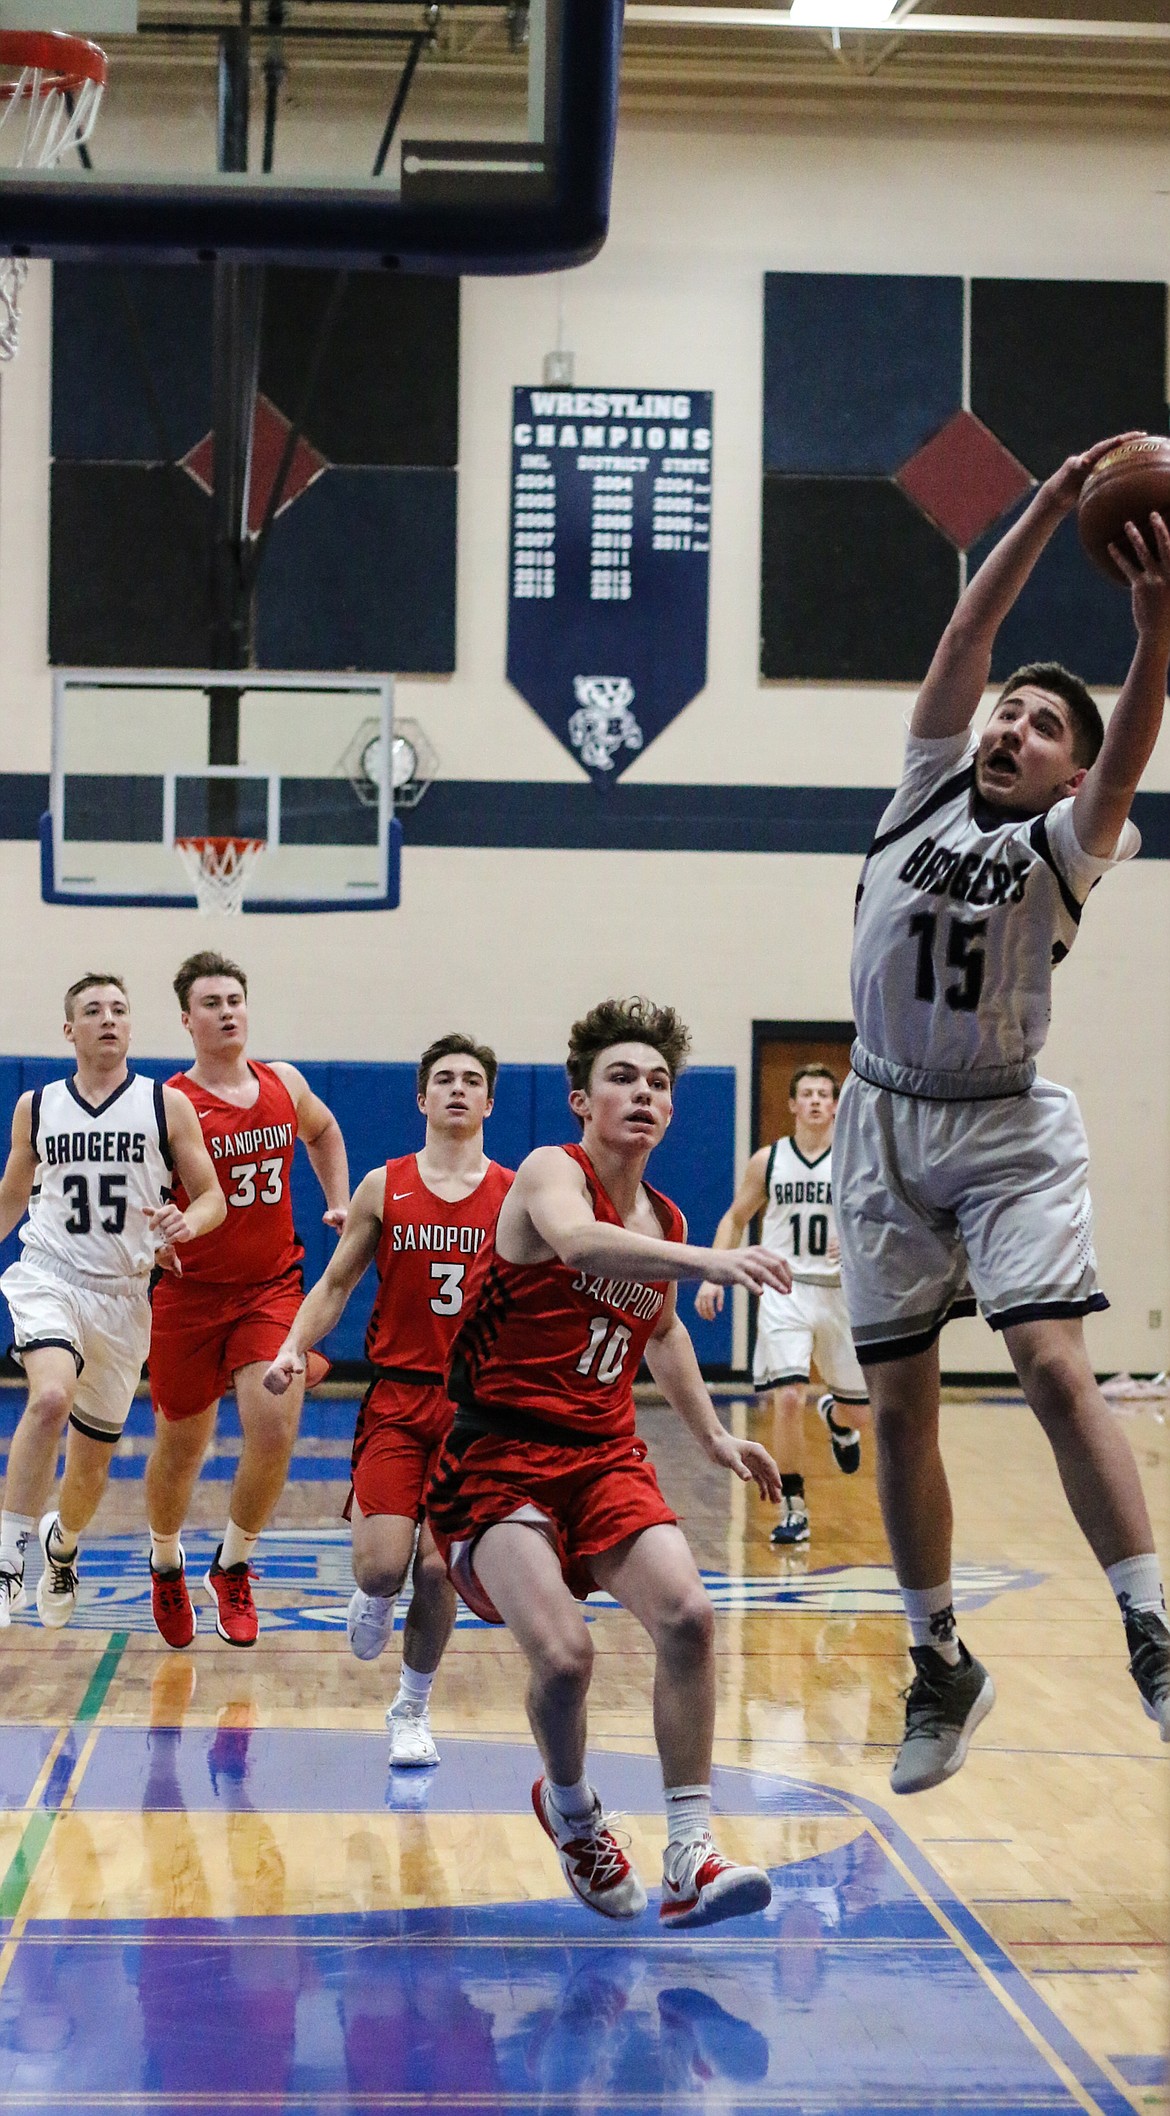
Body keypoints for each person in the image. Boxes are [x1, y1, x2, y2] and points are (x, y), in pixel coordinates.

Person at [833, 432, 1170, 1794]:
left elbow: (1127, 752)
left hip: (1004, 1127)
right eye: (1004, 716)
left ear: (1060, 774)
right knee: (899, 1406)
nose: (1006, 728)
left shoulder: (1062, 847)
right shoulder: (917, 794)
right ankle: (938, 1660)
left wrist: (1154, 630)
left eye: (1038, 726)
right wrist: (1040, 506)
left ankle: (1149, 1627)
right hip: (880, 1121)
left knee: (1043, 1363)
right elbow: (962, 642)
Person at [425, 996, 791, 1930]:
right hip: (496, 1451)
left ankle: (690, 1852)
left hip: (601, 1453)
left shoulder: (660, 1214)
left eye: (659, 1082)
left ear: (672, 1112)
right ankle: (575, 1811)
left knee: (690, 1616)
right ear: (581, 1100)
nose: (643, 1093)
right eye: (622, 1077)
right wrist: (709, 1259)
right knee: (564, 1657)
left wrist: (712, 1435)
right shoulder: (553, 1171)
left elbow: (660, 1328)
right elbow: (580, 1242)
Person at [263, 1032, 512, 1769]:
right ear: (422, 1098)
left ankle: (410, 1707)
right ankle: (371, 1598)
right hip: (400, 1399)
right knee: (381, 1567)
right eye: (445, 1078)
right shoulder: (385, 1185)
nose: (458, 1088)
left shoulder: (516, 1193)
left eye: (472, 1079)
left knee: (441, 1570)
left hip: (478, 1411)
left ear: (491, 1101)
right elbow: (336, 1283)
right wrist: (289, 1345)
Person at [0, 973, 224, 1629]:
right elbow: (14, 1195)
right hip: (50, 1276)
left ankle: (60, 1546)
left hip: (124, 1297)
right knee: (47, 1397)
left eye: (119, 1009)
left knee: (90, 1470)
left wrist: (192, 1221)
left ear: (131, 1026)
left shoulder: (164, 1106)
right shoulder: (37, 1107)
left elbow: (210, 1196)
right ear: (69, 1030)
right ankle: (9, 1559)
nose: (108, 1018)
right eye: (92, 1010)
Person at [143, 950, 349, 1649]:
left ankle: (233, 1563)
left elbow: (323, 1131)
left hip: (269, 1290)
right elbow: (138, 1193)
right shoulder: (170, 1103)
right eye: (211, 1002)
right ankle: (166, 1561)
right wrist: (152, 1237)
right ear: (186, 1019)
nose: (227, 1010)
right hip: (190, 1296)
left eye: (235, 998)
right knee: (182, 1446)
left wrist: (340, 1202)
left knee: (273, 1427)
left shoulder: (283, 1083)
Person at [695, 1064, 868, 1547]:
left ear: (835, 1105)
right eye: (806, 1094)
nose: (814, 1101)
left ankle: (837, 1416)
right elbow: (735, 1217)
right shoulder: (768, 1161)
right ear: (792, 1105)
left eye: (823, 1094)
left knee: (864, 1416)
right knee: (788, 1396)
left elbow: (884, 1218)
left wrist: (855, 1238)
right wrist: (716, 1272)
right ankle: (794, 1506)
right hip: (783, 1288)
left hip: (841, 1294)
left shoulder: (855, 1159)